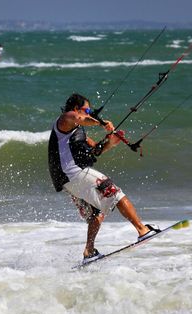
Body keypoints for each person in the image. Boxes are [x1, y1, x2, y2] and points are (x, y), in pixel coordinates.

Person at [48, 93, 160, 263]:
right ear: (77, 108)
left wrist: (112, 141)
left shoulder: (79, 133)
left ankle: (89, 251)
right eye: (87, 109)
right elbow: (78, 118)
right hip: (75, 173)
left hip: (69, 181)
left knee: (96, 212)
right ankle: (142, 230)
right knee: (116, 193)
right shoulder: (65, 119)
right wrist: (101, 123)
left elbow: (96, 151)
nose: (89, 113)